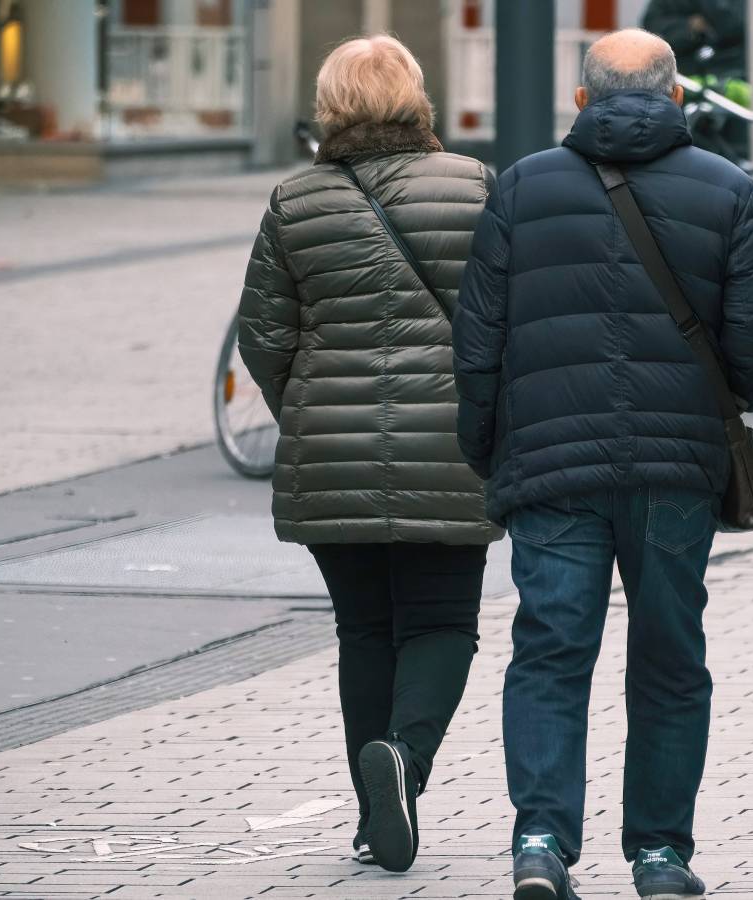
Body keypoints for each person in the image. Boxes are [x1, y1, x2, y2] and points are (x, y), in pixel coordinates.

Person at [454, 27, 753, 900]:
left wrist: (488, 447)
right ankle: (659, 855)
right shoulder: (729, 190)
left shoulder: (523, 187)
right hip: (675, 467)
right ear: (677, 97)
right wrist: (727, 406)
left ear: (581, 99)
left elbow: (479, 339)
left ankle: (539, 840)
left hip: (551, 464)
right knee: (672, 658)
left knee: (550, 649)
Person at [237, 35, 500, 874]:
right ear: (415, 97)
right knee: (443, 623)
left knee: (364, 629)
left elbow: (265, 335)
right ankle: (406, 765)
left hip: (329, 451)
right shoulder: (474, 186)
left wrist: (307, 411)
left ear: (330, 104)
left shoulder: (294, 199)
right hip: (451, 448)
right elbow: (506, 317)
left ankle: (368, 816)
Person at [642, 0, 747, 77]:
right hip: (686, 74)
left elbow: (736, 24)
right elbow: (652, 26)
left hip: (735, 68)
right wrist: (690, 28)